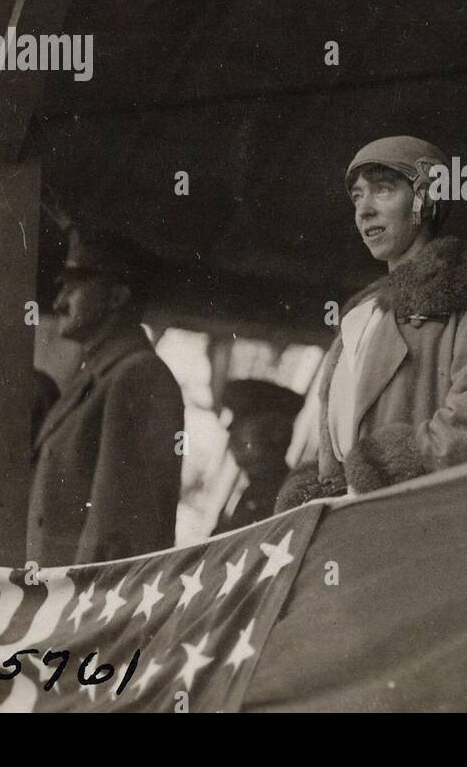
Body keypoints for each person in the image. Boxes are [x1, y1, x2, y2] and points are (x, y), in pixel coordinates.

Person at [275, 137, 467, 510]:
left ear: (427, 199)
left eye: (383, 190)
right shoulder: (358, 317)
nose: (364, 210)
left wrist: (383, 470)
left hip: (428, 522)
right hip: (353, 535)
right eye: (357, 196)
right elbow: (334, 452)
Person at [27, 226, 185, 566]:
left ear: (117, 297)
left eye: (75, 284)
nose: (59, 301)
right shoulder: (98, 375)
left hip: (81, 604)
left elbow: (120, 532)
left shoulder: (139, 377)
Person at [211, 379, 304, 534]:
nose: (230, 428)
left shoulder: (286, 500)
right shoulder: (250, 490)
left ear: (276, 429)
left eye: (243, 417)